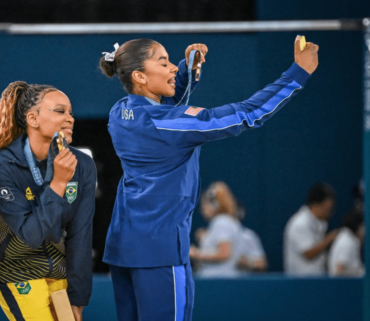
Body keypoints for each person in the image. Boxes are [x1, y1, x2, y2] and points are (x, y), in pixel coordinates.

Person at [100, 36, 318, 320]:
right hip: (161, 252)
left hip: (123, 248)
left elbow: (165, 107)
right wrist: (297, 74)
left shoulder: (119, 113)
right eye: (163, 62)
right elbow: (246, 115)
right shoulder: (167, 123)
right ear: (139, 75)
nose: (172, 69)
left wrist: (188, 69)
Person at [0, 81, 96, 321]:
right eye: (60, 111)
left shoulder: (82, 164)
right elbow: (31, 234)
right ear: (33, 119)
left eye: (70, 112)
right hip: (13, 267)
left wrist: (78, 297)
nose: (70, 118)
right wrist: (58, 183)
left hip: (55, 267)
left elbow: (81, 232)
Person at [190, 181, 243, 277]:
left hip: (218, 279)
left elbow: (224, 254)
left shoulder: (221, 222)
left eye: (204, 205)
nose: (202, 209)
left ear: (214, 205)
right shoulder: (229, 222)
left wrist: (195, 253)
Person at [283, 183, 337, 276]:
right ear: (317, 205)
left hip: (317, 279)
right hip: (300, 282)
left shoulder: (320, 223)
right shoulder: (300, 223)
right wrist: (330, 239)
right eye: (327, 207)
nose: (330, 212)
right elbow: (308, 254)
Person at [328, 209, 365, 277]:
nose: (364, 232)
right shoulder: (347, 242)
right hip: (343, 286)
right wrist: (361, 272)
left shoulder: (348, 239)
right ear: (358, 227)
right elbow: (339, 272)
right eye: (363, 227)